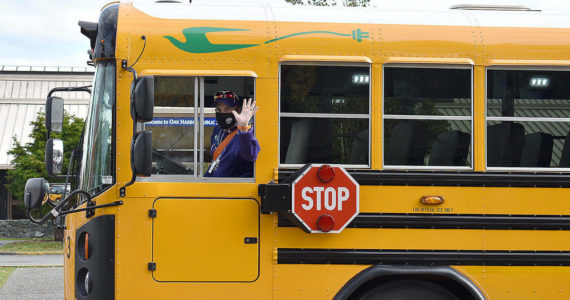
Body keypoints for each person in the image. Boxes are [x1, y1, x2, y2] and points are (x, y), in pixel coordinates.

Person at [205, 90, 260, 177]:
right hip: (215, 186)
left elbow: (250, 155)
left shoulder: (245, 133)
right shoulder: (218, 130)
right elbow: (215, 164)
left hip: (234, 188)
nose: (222, 113)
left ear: (238, 110)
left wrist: (244, 127)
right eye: (219, 110)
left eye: (227, 109)